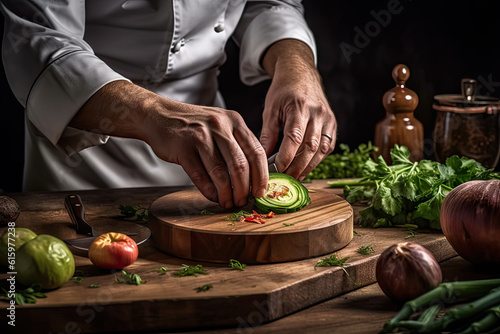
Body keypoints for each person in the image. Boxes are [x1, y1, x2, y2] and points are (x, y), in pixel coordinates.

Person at [1, 0, 336, 209]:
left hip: (211, 152)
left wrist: (296, 66)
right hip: (84, 160)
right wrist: (154, 114)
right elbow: (38, 40)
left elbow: (268, 3)